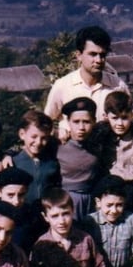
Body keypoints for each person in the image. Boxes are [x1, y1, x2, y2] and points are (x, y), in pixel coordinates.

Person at [44, 25, 132, 135]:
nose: (98, 60)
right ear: (79, 55)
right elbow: (45, 122)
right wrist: (58, 132)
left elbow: (132, 117)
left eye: (102, 55)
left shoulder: (117, 86)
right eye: (93, 54)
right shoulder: (62, 86)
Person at [96, 90, 133, 229]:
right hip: (110, 190)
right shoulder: (101, 134)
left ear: (132, 115)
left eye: (125, 118)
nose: (120, 123)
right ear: (106, 116)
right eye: (115, 118)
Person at [84, 175, 133, 267]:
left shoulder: (131, 220)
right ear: (98, 202)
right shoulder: (89, 222)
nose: (114, 210)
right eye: (109, 205)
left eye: (119, 205)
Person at [57, 96, 101, 224]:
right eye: (76, 122)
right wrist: (7, 155)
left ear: (94, 121)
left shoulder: (98, 143)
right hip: (66, 200)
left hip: (91, 200)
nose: (81, 127)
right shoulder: (58, 144)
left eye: (86, 122)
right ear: (68, 122)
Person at [11, 109, 61, 206]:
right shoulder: (14, 162)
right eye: (34, 137)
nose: (38, 142)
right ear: (22, 134)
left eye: (44, 138)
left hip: (47, 211)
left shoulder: (53, 162)